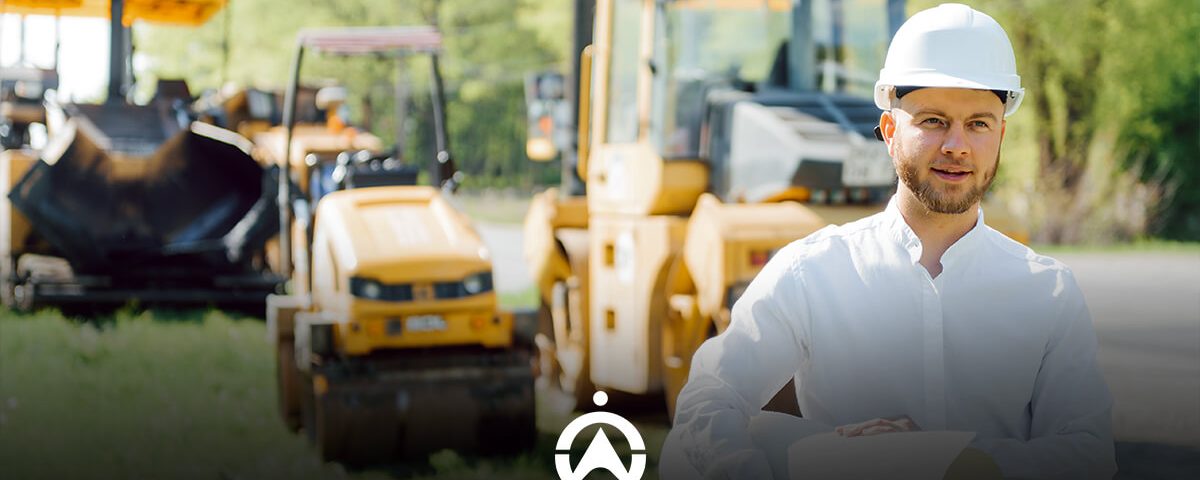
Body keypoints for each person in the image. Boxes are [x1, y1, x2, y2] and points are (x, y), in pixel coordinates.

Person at [663, 3, 1116, 479]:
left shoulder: (1049, 293)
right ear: (889, 130)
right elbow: (706, 405)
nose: (956, 146)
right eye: (933, 121)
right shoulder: (811, 273)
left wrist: (944, 459)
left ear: (1001, 134)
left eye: (978, 123)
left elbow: (1088, 456)